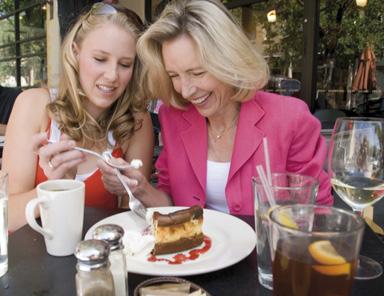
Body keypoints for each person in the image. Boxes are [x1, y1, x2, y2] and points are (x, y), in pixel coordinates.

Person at [99, 0, 333, 216]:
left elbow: (315, 212)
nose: (186, 90)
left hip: (267, 258)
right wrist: (138, 187)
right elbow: (171, 203)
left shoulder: (290, 119)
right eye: (174, 76)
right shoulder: (173, 118)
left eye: (197, 72)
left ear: (229, 61)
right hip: (196, 258)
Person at [3, 3, 154, 231]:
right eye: (100, 59)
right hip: (36, 261)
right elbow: (6, 219)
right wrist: (55, 188)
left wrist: (131, 190)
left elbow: (137, 220)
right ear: (75, 52)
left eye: (125, 64)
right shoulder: (33, 105)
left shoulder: (137, 121)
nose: (112, 75)